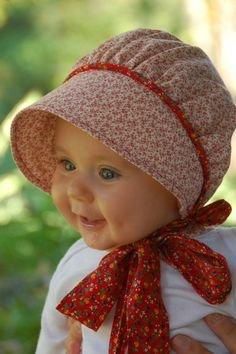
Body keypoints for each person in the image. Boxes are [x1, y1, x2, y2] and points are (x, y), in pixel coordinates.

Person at [10, 28, 236, 353]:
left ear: (176, 183)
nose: (76, 191)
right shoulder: (79, 265)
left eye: (107, 172)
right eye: (67, 164)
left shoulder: (222, 258)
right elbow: (53, 341)